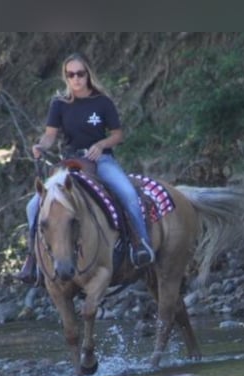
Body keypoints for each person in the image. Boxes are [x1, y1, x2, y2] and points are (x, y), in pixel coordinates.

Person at [15, 52, 156, 284]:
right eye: (71, 75)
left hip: (101, 160)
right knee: (33, 206)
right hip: (70, 163)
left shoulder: (102, 102)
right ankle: (33, 259)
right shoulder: (59, 104)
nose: (76, 79)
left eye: (80, 73)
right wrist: (40, 145)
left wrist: (101, 144)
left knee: (128, 193)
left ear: (88, 74)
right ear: (66, 77)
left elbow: (117, 135)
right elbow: (50, 136)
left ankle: (141, 244)